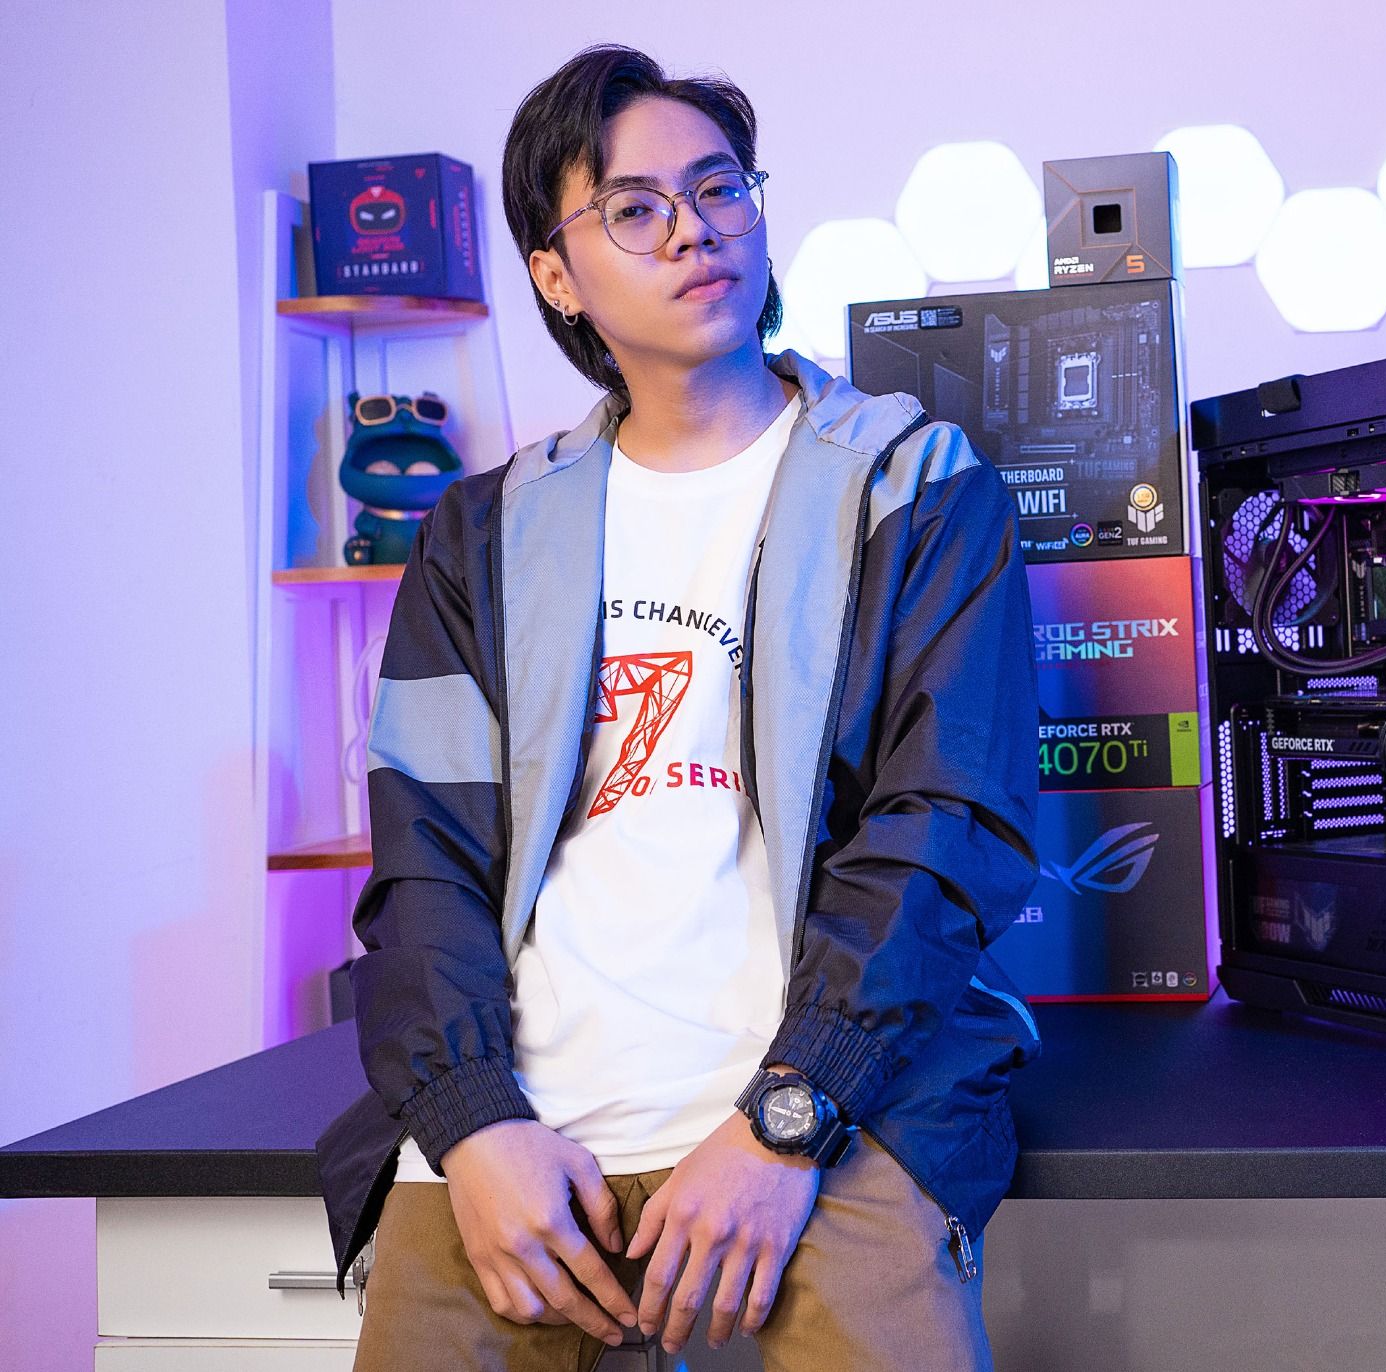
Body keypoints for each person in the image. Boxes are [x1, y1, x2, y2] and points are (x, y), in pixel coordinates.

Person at [313, 41, 1044, 1372]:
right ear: (556, 273)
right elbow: (425, 869)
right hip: (521, 1143)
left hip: (831, 1116)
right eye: (634, 209)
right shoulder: (478, 534)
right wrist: (472, 1124)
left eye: (719, 190)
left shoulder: (918, 486)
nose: (695, 231)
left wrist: (789, 1118)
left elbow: (951, 826)